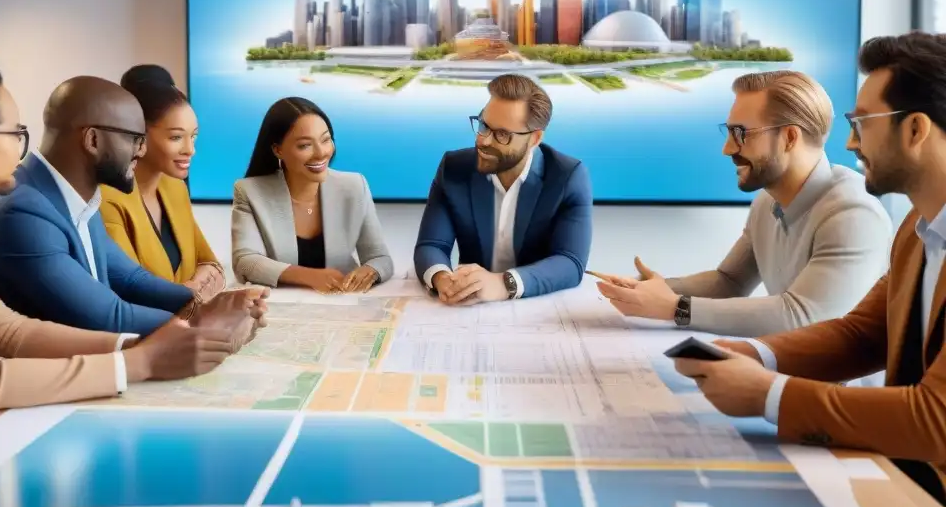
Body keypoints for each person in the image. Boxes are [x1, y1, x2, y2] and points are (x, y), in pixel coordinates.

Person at [0, 59, 257, 449]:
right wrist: (141, 361)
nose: (21, 147)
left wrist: (144, 345)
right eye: (16, 133)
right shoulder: (5, 214)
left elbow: (8, 331)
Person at [673, 32, 946, 507]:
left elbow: (936, 419)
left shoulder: (864, 212)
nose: (849, 141)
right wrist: (756, 354)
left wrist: (770, 395)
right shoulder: (917, 230)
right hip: (905, 479)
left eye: (862, 123)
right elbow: (864, 335)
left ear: (916, 129)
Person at [594, 71, 892, 336]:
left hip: (837, 393)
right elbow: (730, 281)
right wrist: (651, 290)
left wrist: (675, 307)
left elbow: (802, 317)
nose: (727, 149)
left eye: (740, 134)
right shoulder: (768, 202)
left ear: (789, 137)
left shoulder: (853, 214)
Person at [0, 75, 266, 335]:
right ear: (93, 140)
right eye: (135, 138)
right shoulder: (25, 213)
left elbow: (133, 279)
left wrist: (210, 302)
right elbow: (108, 317)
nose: (142, 150)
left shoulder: (76, 196)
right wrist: (207, 318)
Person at [414, 73, 592, 303]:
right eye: (483, 125)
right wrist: (442, 278)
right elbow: (432, 244)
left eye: (502, 134)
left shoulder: (568, 176)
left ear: (534, 139)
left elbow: (570, 261)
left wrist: (503, 283)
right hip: (471, 308)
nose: (484, 140)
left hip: (538, 305)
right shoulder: (454, 168)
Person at [232, 97, 393, 293]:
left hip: (343, 304)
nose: (321, 153)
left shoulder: (354, 185)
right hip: (282, 308)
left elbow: (380, 258)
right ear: (278, 150)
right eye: (305, 145)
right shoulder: (249, 191)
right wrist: (310, 276)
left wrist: (371, 270)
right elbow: (245, 262)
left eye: (326, 140)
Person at [99, 65, 224, 299]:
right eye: (176, 137)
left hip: (187, 325)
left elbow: (211, 264)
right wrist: (191, 293)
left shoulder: (174, 188)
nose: (190, 150)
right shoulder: (107, 200)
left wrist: (190, 291)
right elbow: (131, 291)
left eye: (193, 136)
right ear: (137, 135)